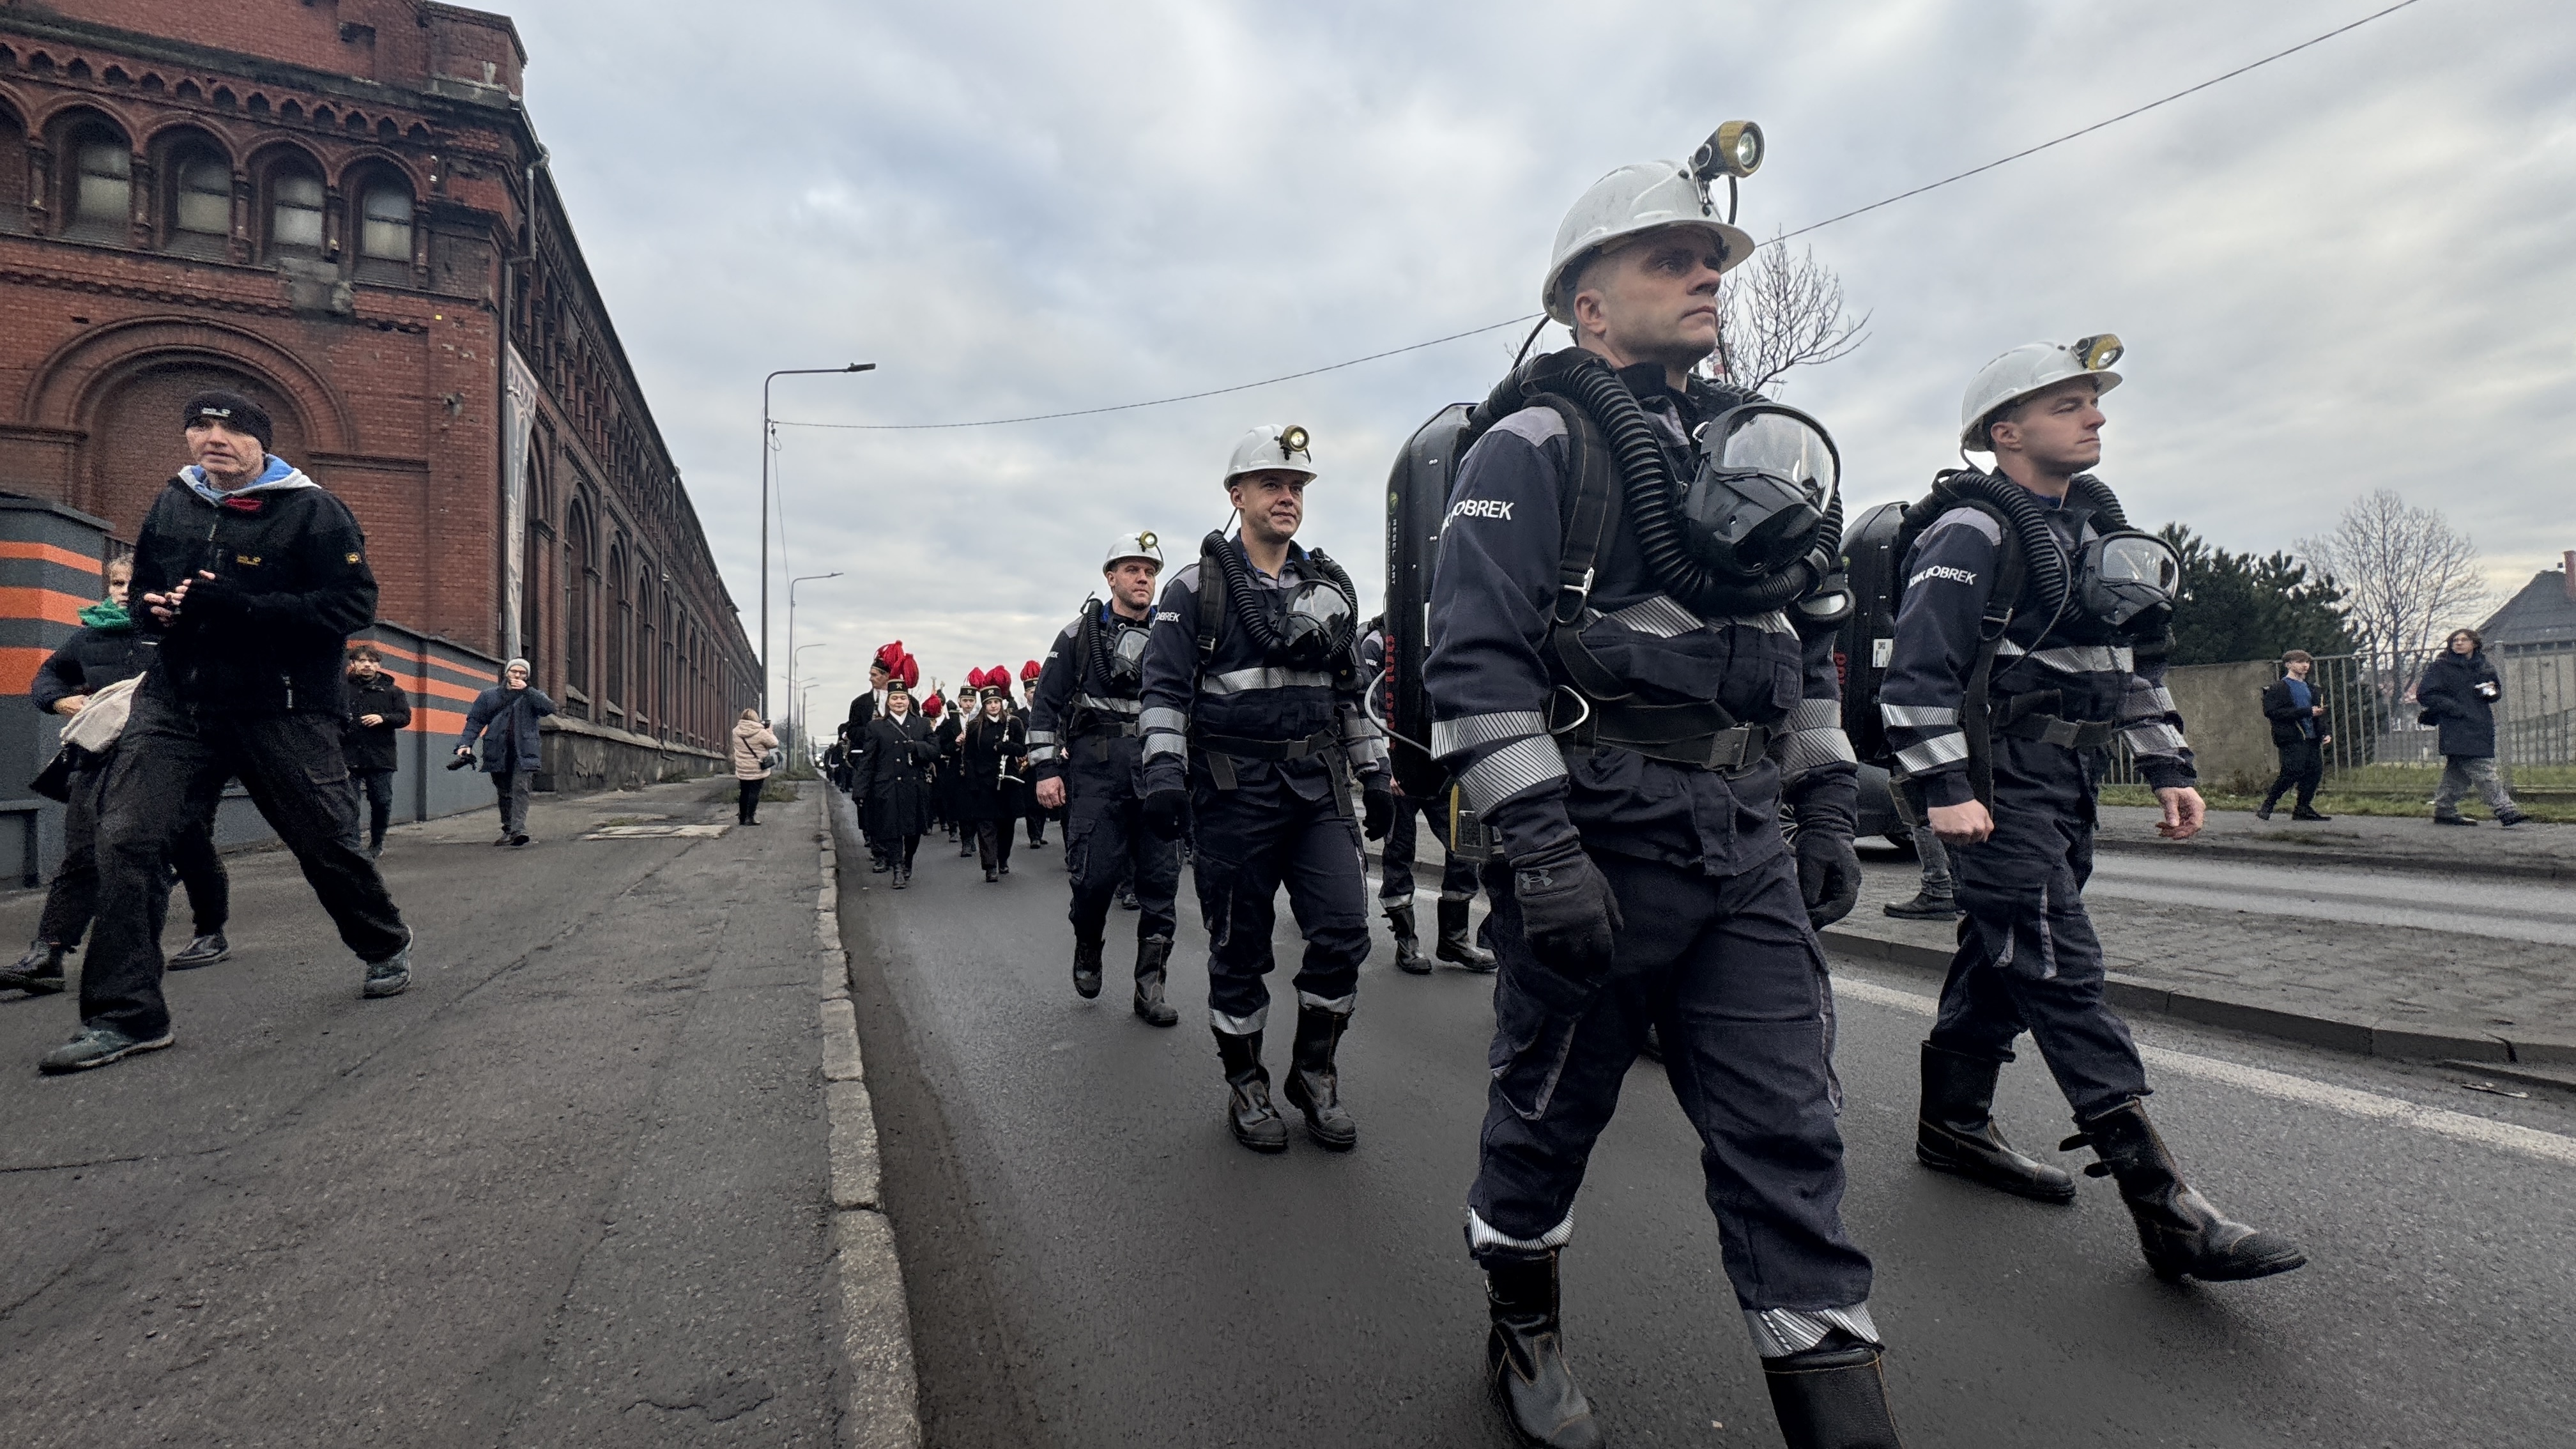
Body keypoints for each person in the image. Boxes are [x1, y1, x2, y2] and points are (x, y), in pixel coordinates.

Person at [1422, 157, 1889, 1448]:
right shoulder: (1533, 447)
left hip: (1745, 850)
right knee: (1548, 1112)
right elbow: (1473, 673)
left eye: (1711, 260)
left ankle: (1845, 1418)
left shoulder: (1757, 453)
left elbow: (1805, 644)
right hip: (1602, 850)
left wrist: (1828, 795)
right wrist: (1541, 851)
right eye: (1667, 260)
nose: (1704, 277)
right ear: (1585, 304)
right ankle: (1522, 1321)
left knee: (1792, 1135)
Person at [1880, 337, 2307, 1287]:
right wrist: (1946, 792)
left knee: (2005, 957)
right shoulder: (1974, 533)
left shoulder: (2099, 538)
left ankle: (1951, 1127)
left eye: (2095, 402)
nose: (2096, 415)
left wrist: (2168, 769)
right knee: (2060, 968)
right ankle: (2165, 1205)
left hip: (2068, 786)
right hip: (2001, 784)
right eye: (2070, 403)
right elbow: (1913, 678)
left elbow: (2136, 672)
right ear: (2007, 430)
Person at [41, 392, 415, 1073]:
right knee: (125, 838)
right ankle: (127, 1016)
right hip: (177, 702)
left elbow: (352, 606)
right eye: (201, 426)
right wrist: (153, 613)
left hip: (282, 706)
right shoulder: (174, 502)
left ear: (261, 443)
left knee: (325, 840)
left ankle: (382, 941)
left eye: (230, 428)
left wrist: (237, 605)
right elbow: (147, 590)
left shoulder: (313, 511)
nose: (214, 438)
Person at [1139, 424, 1390, 1157]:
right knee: (1240, 949)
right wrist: (1160, 770)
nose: (1288, 497)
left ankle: (1313, 1074)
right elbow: (1161, 692)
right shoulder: (1197, 589)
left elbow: (1352, 696)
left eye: (1298, 486)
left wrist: (1373, 771)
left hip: (1316, 791)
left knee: (1345, 933)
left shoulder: (1327, 592)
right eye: (1274, 484)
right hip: (1232, 795)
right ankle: (1245, 1082)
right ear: (1237, 495)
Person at [2, 557, 233, 999]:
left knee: (188, 842)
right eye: (117, 583)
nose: (124, 591)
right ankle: (47, 953)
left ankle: (210, 930)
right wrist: (59, 702)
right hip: (99, 754)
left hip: (169, 757)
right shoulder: (90, 636)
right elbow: (49, 675)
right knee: (83, 851)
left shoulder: (179, 632)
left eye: (134, 582)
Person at [1030, 533, 1184, 1024]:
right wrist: (1046, 770)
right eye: (1133, 569)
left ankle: (1149, 989)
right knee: (1094, 881)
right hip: (1096, 777)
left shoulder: (1173, 634)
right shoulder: (1078, 637)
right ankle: (1087, 945)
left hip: (1158, 773)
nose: (1143, 579)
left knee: (1161, 885)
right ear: (1110, 577)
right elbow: (1045, 708)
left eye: (1150, 571)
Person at [1360, 615, 1495, 974]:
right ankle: (1407, 943)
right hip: (1399, 771)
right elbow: (1367, 709)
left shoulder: (1445, 639)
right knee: (1399, 853)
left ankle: (1455, 939)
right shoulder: (1377, 644)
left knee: (1464, 850)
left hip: (1444, 768)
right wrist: (1385, 768)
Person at [2419, 628, 2526, 827]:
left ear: (2474, 643)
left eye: (2463, 640)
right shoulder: (2441, 667)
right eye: (2454, 641)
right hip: (2456, 726)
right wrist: (2452, 707)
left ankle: (2444, 809)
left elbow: (2495, 693)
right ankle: (2505, 809)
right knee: (2482, 769)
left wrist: (2486, 690)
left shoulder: (2483, 666)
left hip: (2480, 724)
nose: (2458, 643)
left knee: (2458, 772)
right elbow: (2425, 694)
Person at [455, 659, 556, 847]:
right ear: (507, 673)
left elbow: (550, 708)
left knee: (520, 787)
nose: (518, 676)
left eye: (522, 673)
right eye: (514, 672)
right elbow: (475, 721)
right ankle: (508, 828)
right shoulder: (489, 696)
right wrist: (465, 744)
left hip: (524, 751)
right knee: (504, 791)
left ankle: (519, 830)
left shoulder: (532, 696)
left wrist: (527, 690)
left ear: (527, 676)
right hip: (497, 750)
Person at [860, 682, 936, 884]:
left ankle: (907, 860)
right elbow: (868, 759)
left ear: (908, 700)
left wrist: (918, 747)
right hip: (887, 785)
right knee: (892, 829)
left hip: (915, 784)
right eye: (895, 698)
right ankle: (897, 869)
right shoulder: (876, 727)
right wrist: (861, 790)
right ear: (888, 701)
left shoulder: (922, 724)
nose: (899, 702)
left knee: (913, 830)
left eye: (902, 698)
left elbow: (936, 751)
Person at [342, 642, 413, 857]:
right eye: (362, 661)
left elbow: (405, 718)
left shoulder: (393, 691)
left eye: (372, 661)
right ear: (353, 664)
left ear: (378, 665)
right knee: (349, 803)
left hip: (381, 756)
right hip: (348, 755)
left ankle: (377, 842)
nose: (367, 665)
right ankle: (353, 845)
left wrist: (383, 718)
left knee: (381, 801)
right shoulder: (342, 689)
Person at [961, 671, 1027, 881]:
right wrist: (972, 782)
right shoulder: (975, 727)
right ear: (984, 705)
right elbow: (968, 757)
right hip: (984, 784)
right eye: (989, 703)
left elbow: (1022, 750)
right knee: (986, 825)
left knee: (1007, 825)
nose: (994, 706)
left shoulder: (1014, 723)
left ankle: (1003, 858)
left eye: (996, 702)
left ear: (1002, 702)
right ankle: (990, 866)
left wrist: (1007, 747)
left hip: (1008, 783)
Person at [2257, 649, 2333, 821]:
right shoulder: (2277, 689)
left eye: (2307, 662)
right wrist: (2306, 712)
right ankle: (2268, 805)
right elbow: (2272, 712)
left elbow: (2319, 713)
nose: (2305, 665)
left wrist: (2325, 732)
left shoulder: (2313, 688)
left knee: (2314, 772)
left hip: (2312, 737)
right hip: (2292, 737)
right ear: (2288, 665)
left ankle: (2303, 809)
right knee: (2292, 771)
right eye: (2300, 662)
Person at [849, 643, 903, 870]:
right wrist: (873, 730)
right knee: (872, 809)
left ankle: (897, 855)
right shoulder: (860, 703)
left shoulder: (904, 700)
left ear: (886, 676)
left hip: (895, 764)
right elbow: (853, 731)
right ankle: (879, 852)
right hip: (870, 763)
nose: (870, 678)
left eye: (874, 675)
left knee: (894, 810)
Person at [731, 709, 779, 825]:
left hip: (742, 767)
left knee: (744, 792)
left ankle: (742, 818)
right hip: (757, 767)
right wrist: (770, 732)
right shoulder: (760, 732)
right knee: (754, 792)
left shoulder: (736, 732)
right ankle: (750, 818)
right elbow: (774, 743)